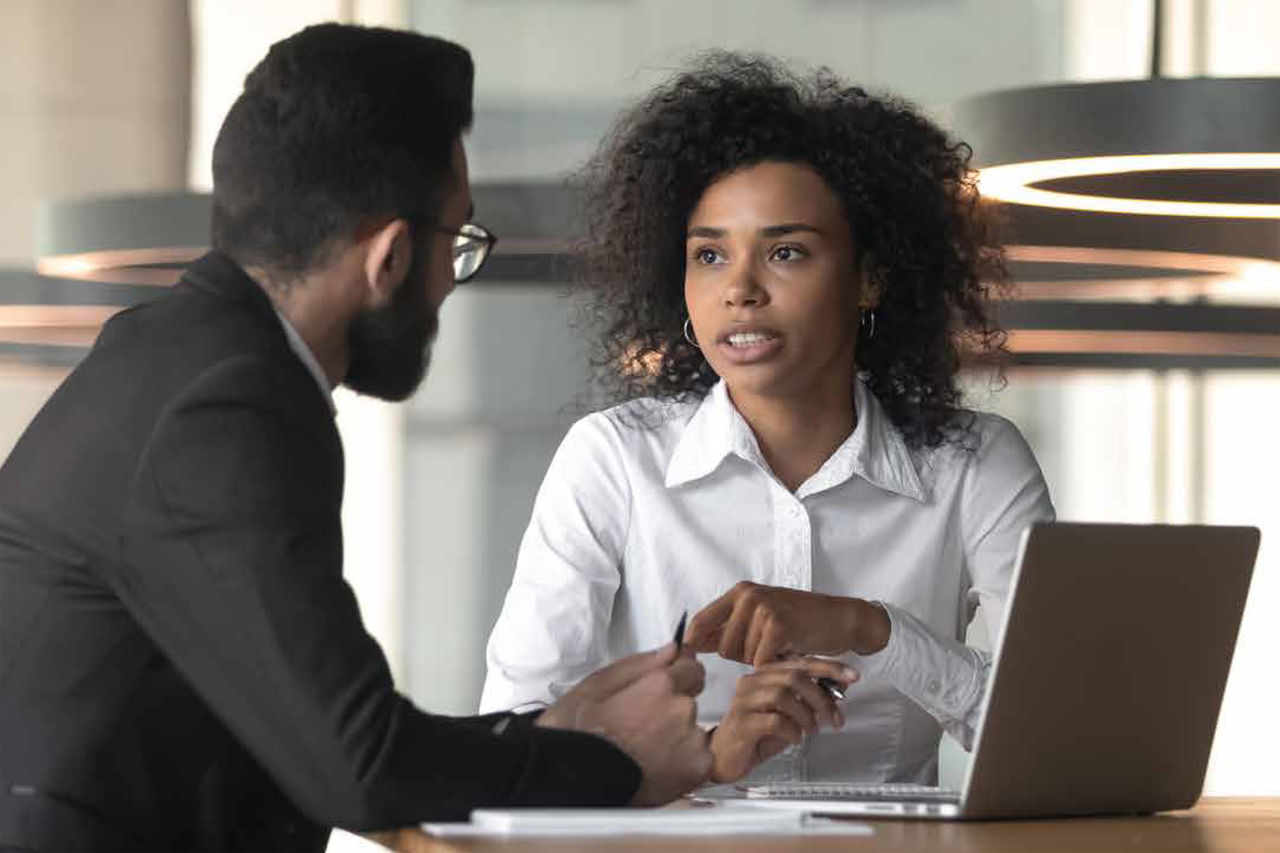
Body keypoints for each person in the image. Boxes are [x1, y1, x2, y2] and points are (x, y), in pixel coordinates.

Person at [0, 24, 710, 853]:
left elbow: (308, 727)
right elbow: (358, 763)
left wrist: (551, 732)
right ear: (392, 254)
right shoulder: (230, 407)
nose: (450, 281)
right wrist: (614, 763)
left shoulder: (172, 354)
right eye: (458, 243)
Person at [481, 53, 1054, 787]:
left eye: (785, 251)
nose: (740, 290)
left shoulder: (975, 464)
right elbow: (515, 725)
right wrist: (704, 759)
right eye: (710, 255)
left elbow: (1049, 732)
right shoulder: (614, 461)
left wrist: (871, 629)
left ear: (870, 276)